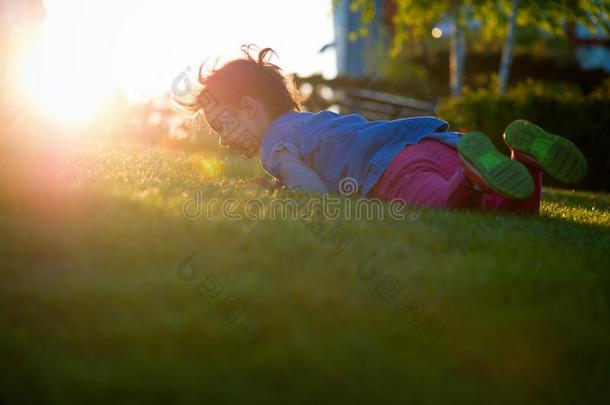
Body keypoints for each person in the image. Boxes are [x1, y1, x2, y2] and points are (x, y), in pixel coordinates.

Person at [176, 45, 587, 214]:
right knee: (508, 208)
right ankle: (527, 160)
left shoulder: (274, 143)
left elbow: (313, 190)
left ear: (248, 108)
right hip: (435, 143)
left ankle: (470, 176)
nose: (221, 138)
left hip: (394, 170)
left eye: (221, 124)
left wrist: (292, 194)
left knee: (443, 202)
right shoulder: (307, 124)